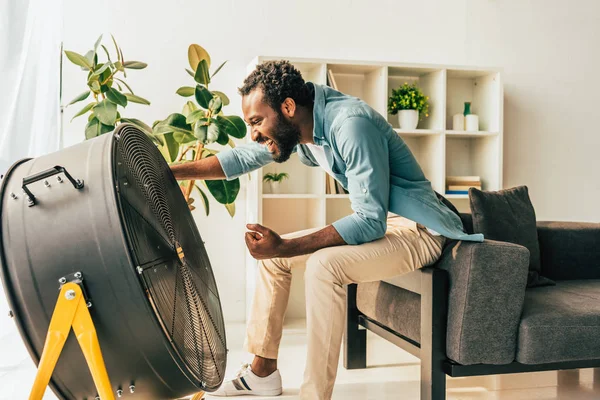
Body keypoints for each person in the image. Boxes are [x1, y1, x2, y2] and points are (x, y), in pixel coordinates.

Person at [170, 60, 483, 399]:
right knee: (275, 260)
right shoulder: (304, 124)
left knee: (323, 266)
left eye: (257, 121)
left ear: (288, 108)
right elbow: (242, 158)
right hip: (393, 223)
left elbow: (368, 221)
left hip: (423, 230)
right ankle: (262, 372)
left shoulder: (351, 126)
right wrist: (168, 172)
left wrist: (286, 246)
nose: (254, 133)